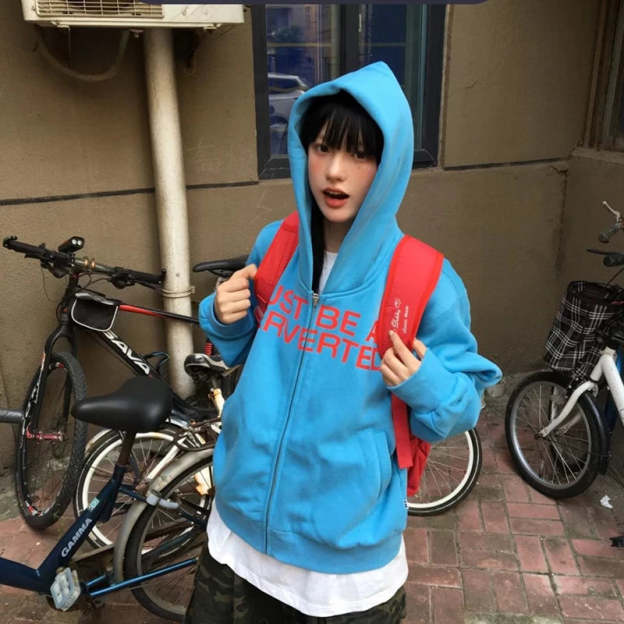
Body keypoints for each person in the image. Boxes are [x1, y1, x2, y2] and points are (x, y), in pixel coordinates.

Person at [187, 62, 502, 623]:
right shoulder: (276, 244)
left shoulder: (424, 278)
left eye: (360, 154)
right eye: (323, 148)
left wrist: (426, 383)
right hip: (236, 536)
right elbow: (251, 354)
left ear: (390, 163)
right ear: (302, 150)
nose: (335, 172)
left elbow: (462, 407)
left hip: (343, 572)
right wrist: (222, 317)